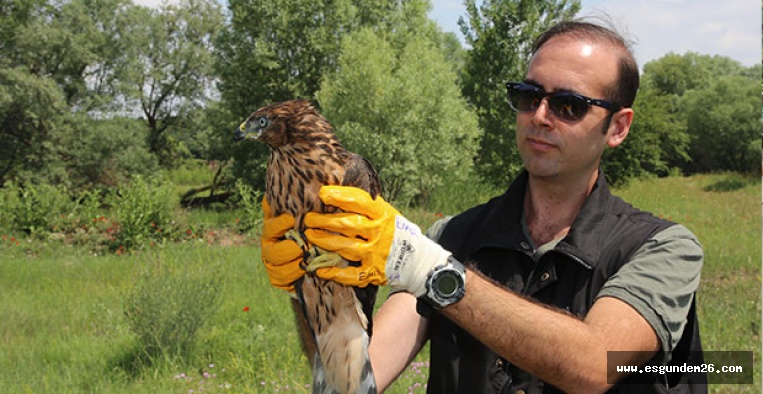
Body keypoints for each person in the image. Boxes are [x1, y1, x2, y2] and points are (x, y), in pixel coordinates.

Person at [260, 19, 706, 393]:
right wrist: (314, 287)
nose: (541, 115)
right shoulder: (450, 237)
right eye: (529, 95)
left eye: (569, 105)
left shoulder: (664, 248)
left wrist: (425, 269)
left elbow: (598, 364)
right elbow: (349, 383)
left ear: (618, 127)